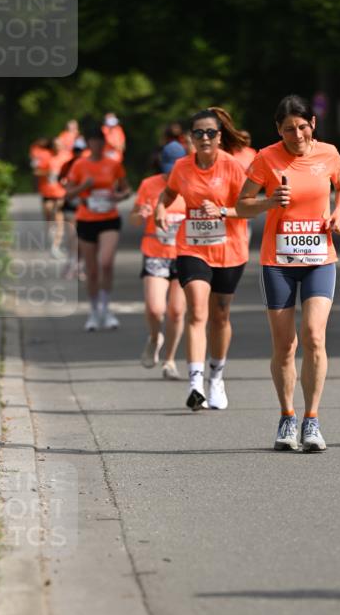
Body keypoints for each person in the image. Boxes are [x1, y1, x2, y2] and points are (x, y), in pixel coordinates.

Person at [236, 94, 340, 452]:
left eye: (302, 127)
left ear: (312, 125)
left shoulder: (328, 153)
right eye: (289, 129)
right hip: (279, 263)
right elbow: (241, 206)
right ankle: (287, 416)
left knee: (315, 335)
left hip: (319, 258)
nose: (297, 135)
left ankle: (311, 420)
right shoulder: (266, 158)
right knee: (286, 346)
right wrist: (269, 202)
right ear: (278, 130)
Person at [155, 108, 249, 411]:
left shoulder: (233, 167)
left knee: (220, 315)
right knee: (197, 310)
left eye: (210, 132)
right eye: (198, 133)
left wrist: (223, 211)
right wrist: (159, 208)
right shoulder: (182, 167)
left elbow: (248, 206)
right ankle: (195, 383)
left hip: (230, 249)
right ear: (190, 138)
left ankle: (216, 377)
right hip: (192, 247)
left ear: (220, 137)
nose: (204, 138)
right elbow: (169, 194)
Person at [131, 139, 188, 378]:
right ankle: (155, 337)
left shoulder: (192, 185)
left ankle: (170, 360)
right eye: (166, 170)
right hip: (155, 253)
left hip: (184, 254)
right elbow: (134, 219)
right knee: (155, 309)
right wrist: (141, 214)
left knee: (176, 311)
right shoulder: (149, 185)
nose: (169, 175)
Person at [65, 126, 131, 331]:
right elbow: (67, 194)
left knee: (106, 262)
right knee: (92, 270)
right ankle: (94, 312)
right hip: (86, 218)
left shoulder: (114, 164)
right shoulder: (79, 165)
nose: (97, 145)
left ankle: (105, 308)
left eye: (100, 141)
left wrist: (120, 196)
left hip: (109, 218)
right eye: (93, 141)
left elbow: (126, 189)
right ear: (88, 143)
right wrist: (84, 187)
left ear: (104, 143)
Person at [33, 137, 70, 257]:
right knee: (49, 216)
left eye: (60, 145)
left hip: (60, 193)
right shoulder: (45, 156)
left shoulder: (66, 157)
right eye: (55, 145)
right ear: (52, 146)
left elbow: (73, 171)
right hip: (47, 192)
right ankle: (53, 239)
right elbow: (36, 171)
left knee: (58, 216)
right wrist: (48, 172)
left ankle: (56, 246)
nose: (57, 148)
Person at [59, 136, 87, 279]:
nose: (78, 153)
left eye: (80, 150)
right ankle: (71, 263)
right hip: (70, 204)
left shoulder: (88, 165)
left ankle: (79, 267)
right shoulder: (67, 165)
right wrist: (67, 186)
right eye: (76, 150)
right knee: (71, 236)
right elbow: (60, 179)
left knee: (81, 237)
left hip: (85, 206)